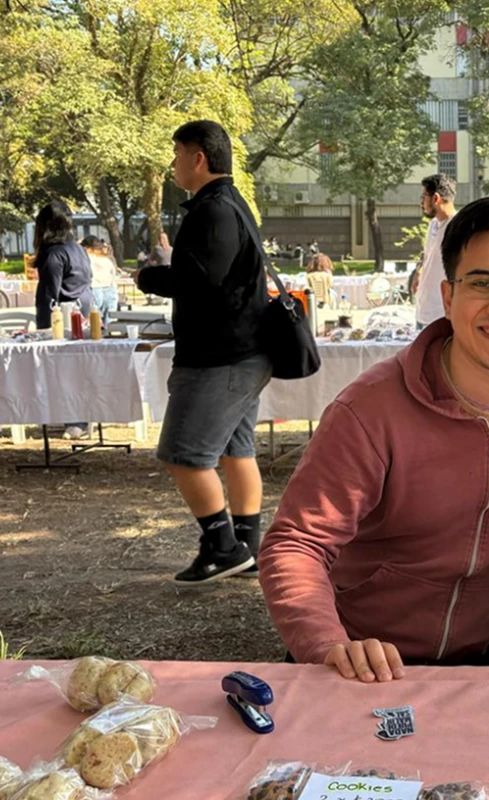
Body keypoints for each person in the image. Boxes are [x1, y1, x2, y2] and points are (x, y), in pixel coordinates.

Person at [259, 197, 489, 681]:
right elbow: (297, 543)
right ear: (448, 295)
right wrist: (327, 643)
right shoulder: (371, 409)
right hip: (368, 657)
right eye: (482, 283)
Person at [134, 120, 271, 586]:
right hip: (242, 350)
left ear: (198, 157)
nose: (172, 166)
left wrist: (149, 277)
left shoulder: (212, 210)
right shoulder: (234, 205)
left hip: (220, 355)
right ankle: (247, 547)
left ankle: (222, 545)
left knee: (183, 453)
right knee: (237, 450)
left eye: (176, 156)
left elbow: (198, 281)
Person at [33, 202, 94, 441]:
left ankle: (75, 419)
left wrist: (44, 327)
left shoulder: (54, 253)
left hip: (64, 316)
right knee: (76, 369)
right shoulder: (77, 249)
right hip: (84, 310)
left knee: (64, 370)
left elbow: (50, 293)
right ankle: (78, 416)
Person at [411, 173, 457, 330]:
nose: (421, 202)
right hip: (423, 309)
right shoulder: (433, 225)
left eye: (424, 197)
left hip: (442, 313)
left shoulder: (458, 227)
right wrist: (419, 272)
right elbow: (428, 255)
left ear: (435, 198)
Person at [81, 236, 120, 325]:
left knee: (95, 323)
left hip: (95, 287)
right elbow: (113, 272)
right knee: (110, 322)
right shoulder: (106, 258)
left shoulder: (87, 257)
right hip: (110, 288)